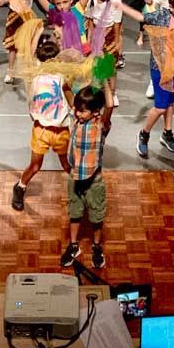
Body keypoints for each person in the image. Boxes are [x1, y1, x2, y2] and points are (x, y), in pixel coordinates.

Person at [118, 0, 174, 158]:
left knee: (169, 103)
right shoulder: (161, 16)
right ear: (171, 6)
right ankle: (144, 134)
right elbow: (141, 17)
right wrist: (121, 6)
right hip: (159, 69)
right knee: (160, 107)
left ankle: (167, 134)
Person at [12, 38, 74, 212]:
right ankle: (20, 187)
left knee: (66, 163)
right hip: (41, 130)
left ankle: (81, 187)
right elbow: (29, 54)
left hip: (61, 130)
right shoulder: (35, 77)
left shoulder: (62, 78)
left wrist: (75, 108)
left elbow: (69, 96)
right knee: (35, 165)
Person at [60, 81, 116, 269]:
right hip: (75, 177)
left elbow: (109, 104)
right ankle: (74, 245)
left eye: (82, 111)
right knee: (74, 213)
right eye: (77, 109)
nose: (77, 113)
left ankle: (97, 246)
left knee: (96, 215)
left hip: (94, 181)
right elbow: (66, 90)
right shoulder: (75, 120)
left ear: (95, 111)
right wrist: (67, 72)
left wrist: (107, 81)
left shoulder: (101, 125)